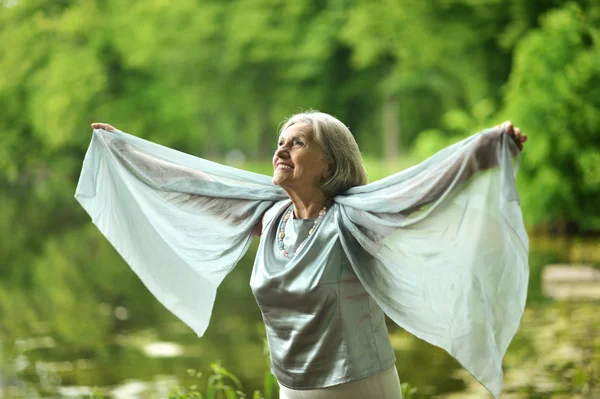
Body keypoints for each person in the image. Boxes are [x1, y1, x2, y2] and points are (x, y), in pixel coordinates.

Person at [78, 111, 528, 399]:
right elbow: (197, 189)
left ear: (329, 164)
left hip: (358, 387)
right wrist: (127, 152)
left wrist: (486, 150)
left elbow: (417, 189)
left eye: (297, 142)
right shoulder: (271, 219)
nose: (281, 148)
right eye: (281, 141)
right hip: (293, 390)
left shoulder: (355, 219)